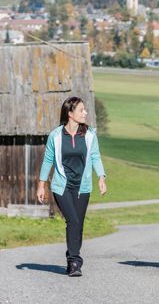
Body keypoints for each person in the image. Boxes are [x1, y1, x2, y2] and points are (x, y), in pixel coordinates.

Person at [37, 96, 107, 277]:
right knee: (73, 221)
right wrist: (41, 185)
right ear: (70, 114)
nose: (85, 113)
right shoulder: (56, 136)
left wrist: (101, 176)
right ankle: (75, 261)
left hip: (82, 186)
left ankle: (71, 257)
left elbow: (95, 157)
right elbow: (48, 160)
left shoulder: (90, 135)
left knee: (79, 224)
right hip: (62, 186)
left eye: (85, 110)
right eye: (81, 110)